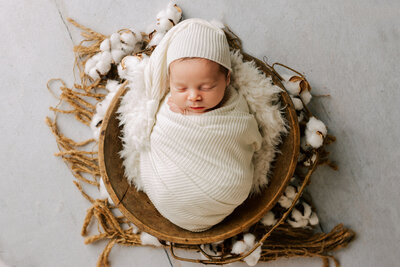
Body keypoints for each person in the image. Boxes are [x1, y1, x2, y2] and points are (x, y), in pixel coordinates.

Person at [139, 18, 263, 232]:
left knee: (236, 182)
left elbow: (247, 133)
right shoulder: (167, 108)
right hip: (168, 188)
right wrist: (178, 115)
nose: (193, 96)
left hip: (224, 186)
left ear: (227, 79)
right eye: (181, 88)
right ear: (170, 83)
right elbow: (158, 135)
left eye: (206, 87)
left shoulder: (235, 106)